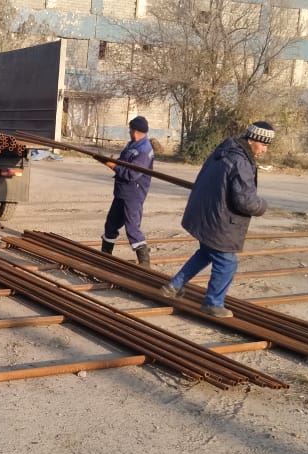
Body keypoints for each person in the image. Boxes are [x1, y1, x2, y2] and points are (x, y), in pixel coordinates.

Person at [159, 121, 275, 318]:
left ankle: (173, 286)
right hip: (221, 220)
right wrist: (262, 205)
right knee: (227, 263)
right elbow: (245, 201)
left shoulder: (225, 150)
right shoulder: (241, 161)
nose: (265, 150)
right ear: (252, 140)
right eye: (263, 144)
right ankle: (213, 303)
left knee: (205, 253)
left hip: (206, 214)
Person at [100, 115, 154, 266]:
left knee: (132, 228)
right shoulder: (133, 145)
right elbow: (124, 163)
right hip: (122, 192)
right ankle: (105, 257)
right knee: (111, 224)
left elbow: (132, 174)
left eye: (130, 130)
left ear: (135, 131)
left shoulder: (143, 150)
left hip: (133, 194)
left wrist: (112, 165)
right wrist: (111, 161)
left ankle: (144, 264)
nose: (129, 132)